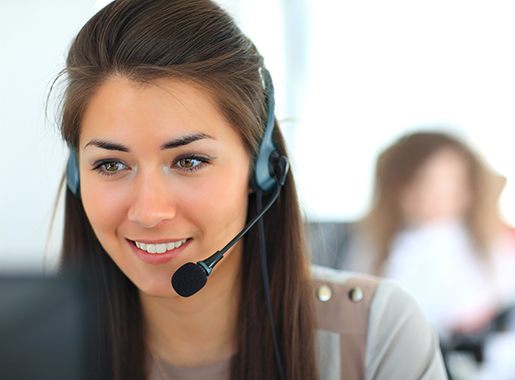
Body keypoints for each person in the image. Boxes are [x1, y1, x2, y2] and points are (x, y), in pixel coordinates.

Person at [52, 1, 447, 379]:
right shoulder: (29, 348)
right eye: (111, 165)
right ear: (76, 176)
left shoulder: (379, 335)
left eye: (189, 161)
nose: (149, 211)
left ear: (261, 168)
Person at [343, 131, 515, 341]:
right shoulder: (375, 246)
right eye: (422, 181)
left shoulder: (491, 245)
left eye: (451, 182)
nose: (436, 194)